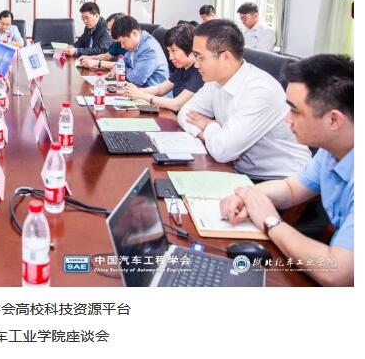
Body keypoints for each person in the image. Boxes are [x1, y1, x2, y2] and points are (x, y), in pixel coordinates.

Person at [220, 54, 353, 286]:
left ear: (334, 120)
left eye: (295, 111)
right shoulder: (331, 151)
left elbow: (337, 272)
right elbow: (292, 188)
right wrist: (250, 195)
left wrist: (271, 222)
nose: (286, 118)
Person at [178, 19, 311, 179]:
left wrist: (210, 125)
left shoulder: (259, 90)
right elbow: (185, 113)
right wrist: (206, 135)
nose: (196, 65)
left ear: (225, 57)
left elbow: (222, 151)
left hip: (282, 180)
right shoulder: (215, 81)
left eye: (200, 57)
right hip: (239, 171)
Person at [121, 23, 203, 112]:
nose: (170, 57)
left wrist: (140, 95)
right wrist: (133, 91)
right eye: (169, 52)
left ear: (189, 49)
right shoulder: (182, 67)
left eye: (174, 51)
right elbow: (160, 89)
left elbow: (176, 104)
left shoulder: (199, 72)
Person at [110, 15, 169, 87]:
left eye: (123, 42)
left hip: (153, 92)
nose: (122, 46)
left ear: (134, 33)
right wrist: (118, 66)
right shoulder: (135, 44)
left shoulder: (149, 49)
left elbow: (136, 79)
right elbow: (124, 61)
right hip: (137, 89)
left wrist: (121, 69)